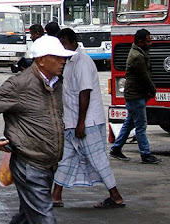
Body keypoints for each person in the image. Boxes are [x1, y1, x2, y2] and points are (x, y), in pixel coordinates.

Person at [0, 35, 75, 224]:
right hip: (29, 164)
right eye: (58, 57)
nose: (63, 61)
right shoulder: (20, 84)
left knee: (27, 216)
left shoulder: (56, 83)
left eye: (64, 57)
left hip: (47, 163)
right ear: (42, 60)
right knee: (44, 217)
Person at [51, 28, 125, 209]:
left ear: (73, 42)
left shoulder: (82, 62)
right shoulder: (69, 62)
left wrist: (81, 123)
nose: (62, 48)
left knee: (97, 158)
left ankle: (115, 196)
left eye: (64, 44)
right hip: (72, 121)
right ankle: (55, 195)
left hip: (86, 122)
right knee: (66, 158)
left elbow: (85, 92)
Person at [110, 28, 161, 164]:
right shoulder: (137, 57)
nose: (150, 44)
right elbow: (144, 77)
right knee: (141, 125)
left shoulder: (138, 52)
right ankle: (145, 154)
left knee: (130, 123)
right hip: (136, 96)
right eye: (148, 41)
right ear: (140, 41)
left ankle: (116, 149)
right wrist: (152, 89)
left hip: (134, 95)